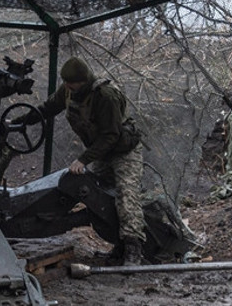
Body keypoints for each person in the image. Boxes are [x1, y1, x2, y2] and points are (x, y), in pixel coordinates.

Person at [14, 56, 146, 265]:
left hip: (123, 151)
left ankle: (133, 249)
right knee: (100, 198)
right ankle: (118, 246)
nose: (67, 86)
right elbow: (49, 108)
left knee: (125, 195)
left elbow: (111, 135)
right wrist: (20, 122)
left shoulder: (105, 96)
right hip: (101, 152)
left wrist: (83, 160)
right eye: (65, 82)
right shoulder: (69, 91)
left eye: (71, 83)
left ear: (83, 81)